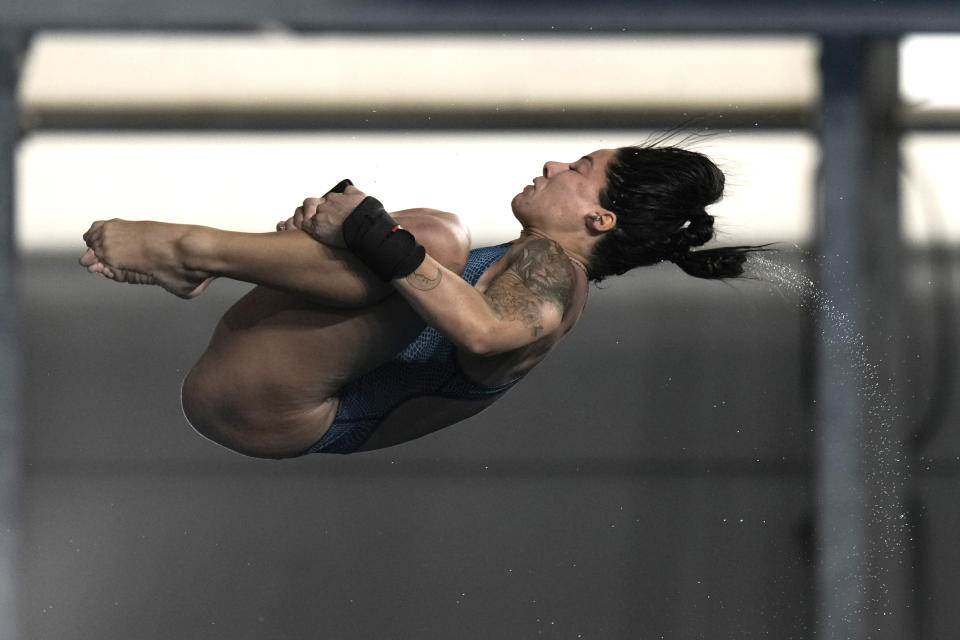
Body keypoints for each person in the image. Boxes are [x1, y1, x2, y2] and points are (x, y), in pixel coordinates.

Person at [80, 143, 753, 458]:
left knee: (433, 236)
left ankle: (188, 248)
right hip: (262, 388)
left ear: (600, 222)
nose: (553, 165)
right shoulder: (532, 260)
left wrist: (372, 234)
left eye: (579, 171)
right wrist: (324, 241)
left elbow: (488, 332)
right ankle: (192, 265)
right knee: (415, 240)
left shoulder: (558, 276)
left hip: (277, 409)